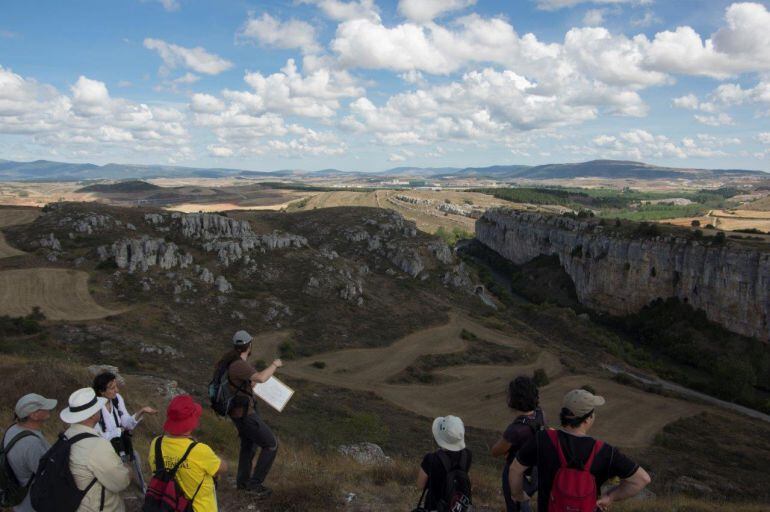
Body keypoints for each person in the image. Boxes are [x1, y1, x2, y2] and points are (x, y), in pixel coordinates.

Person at [509, 389, 651, 512]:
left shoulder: (543, 439)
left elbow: (515, 469)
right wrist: (610, 497)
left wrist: (518, 495)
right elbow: (642, 479)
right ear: (588, 419)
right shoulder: (605, 451)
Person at [216, 330, 282, 498]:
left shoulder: (232, 362)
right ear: (249, 345)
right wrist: (274, 365)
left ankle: (243, 483)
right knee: (271, 444)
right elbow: (260, 378)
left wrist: (249, 386)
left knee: (249, 446)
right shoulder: (238, 364)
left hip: (239, 413)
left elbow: (242, 384)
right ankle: (254, 485)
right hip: (245, 415)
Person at [148, 395, 226, 512]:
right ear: (191, 422)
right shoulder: (200, 450)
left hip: (166, 506)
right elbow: (222, 468)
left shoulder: (156, 443)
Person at [60, 387, 131, 512]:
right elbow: (121, 482)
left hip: (75, 503)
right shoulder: (97, 445)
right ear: (93, 415)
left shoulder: (66, 435)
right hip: (97, 507)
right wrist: (127, 469)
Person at [92, 372, 156, 491]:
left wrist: (141, 412)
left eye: (116, 386)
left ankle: (142, 487)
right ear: (101, 391)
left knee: (135, 457)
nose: (116, 390)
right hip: (104, 449)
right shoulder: (94, 408)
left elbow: (126, 422)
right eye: (112, 388)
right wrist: (118, 431)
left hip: (119, 445)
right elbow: (97, 436)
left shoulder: (116, 400)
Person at [491, 376, 545, 512]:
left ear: (514, 400)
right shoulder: (540, 414)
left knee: (516, 505)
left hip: (517, 473)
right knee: (524, 502)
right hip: (536, 472)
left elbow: (495, 451)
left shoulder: (515, 430)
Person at [2, 393, 57, 512]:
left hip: (19, 500)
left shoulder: (12, 429)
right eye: (44, 407)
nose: (48, 409)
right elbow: (47, 474)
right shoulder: (31, 443)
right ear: (34, 415)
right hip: (32, 504)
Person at [416, 415, 472, 512]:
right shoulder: (467, 455)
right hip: (457, 505)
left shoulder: (431, 458)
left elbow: (420, 484)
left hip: (434, 506)